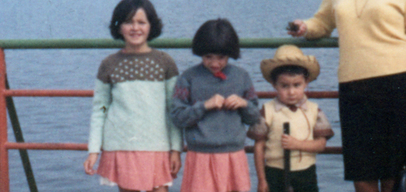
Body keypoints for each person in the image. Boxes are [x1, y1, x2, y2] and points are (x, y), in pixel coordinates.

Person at [288, 0, 406, 191]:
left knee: (396, 175)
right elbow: (322, 22)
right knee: (362, 175)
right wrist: (305, 27)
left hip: (398, 89)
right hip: (354, 91)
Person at [82, 0, 181, 191]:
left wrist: (176, 149)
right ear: (119, 27)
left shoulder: (165, 62)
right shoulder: (108, 64)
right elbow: (101, 107)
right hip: (121, 146)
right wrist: (94, 149)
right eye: (128, 22)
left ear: (151, 25)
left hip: (157, 145)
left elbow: (173, 108)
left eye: (141, 22)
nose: (135, 28)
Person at [169, 18, 258, 192]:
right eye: (208, 57)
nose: (215, 63)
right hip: (200, 155)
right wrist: (204, 106)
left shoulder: (242, 77)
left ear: (230, 54)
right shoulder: (188, 78)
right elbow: (177, 117)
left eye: (221, 57)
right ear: (200, 52)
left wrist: (243, 104)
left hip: (234, 155)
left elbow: (254, 117)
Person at [249, 45, 335, 192]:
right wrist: (262, 180)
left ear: (306, 83)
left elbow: (321, 144)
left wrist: (297, 144)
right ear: (274, 84)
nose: (291, 92)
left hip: (305, 172)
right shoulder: (267, 111)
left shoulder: (314, 111)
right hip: (274, 172)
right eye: (284, 86)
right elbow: (259, 146)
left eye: (297, 85)